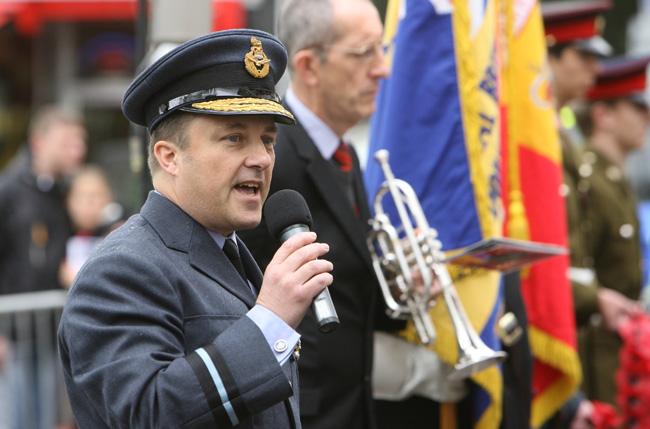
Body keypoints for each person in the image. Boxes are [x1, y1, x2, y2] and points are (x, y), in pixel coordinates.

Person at [58, 29, 334, 428]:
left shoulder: (230, 254)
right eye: (234, 138)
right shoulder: (119, 271)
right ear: (169, 157)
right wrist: (270, 321)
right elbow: (145, 414)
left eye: (268, 140)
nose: (260, 158)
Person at [239, 1, 466, 428]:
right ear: (308, 66)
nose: (383, 69)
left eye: (382, 50)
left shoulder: (345, 157)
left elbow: (349, 299)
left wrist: (404, 282)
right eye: (365, 54)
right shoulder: (274, 159)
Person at [0, 105, 87, 429]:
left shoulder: (67, 192)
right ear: (39, 142)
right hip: (14, 334)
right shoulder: (7, 191)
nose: (77, 151)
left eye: (80, 142)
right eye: (67, 143)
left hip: (54, 331)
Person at [572, 56, 649, 405]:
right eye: (637, 107)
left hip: (620, 355)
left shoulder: (615, 181)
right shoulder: (588, 180)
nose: (646, 118)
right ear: (603, 115)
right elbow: (578, 272)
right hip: (594, 360)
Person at [59, 164, 124, 287]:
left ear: (108, 198)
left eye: (94, 197)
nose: (87, 205)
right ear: (68, 202)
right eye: (80, 197)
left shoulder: (120, 233)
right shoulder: (59, 235)